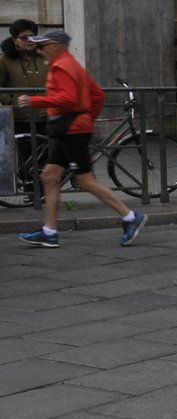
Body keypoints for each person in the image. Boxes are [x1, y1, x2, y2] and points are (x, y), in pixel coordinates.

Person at [14, 30, 146, 248]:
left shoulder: (62, 67)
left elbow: (68, 99)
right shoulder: (71, 64)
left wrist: (34, 101)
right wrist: (86, 117)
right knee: (48, 177)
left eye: (43, 45)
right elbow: (97, 95)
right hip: (70, 129)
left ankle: (131, 217)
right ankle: (49, 231)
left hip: (72, 132)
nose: (40, 49)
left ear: (56, 46)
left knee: (85, 181)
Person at [2, 19, 48, 177]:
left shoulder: (44, 57)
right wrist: (10, 101)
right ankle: (31, 191)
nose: (29, 40)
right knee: (27, 156)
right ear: (15, 40)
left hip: (46, 113)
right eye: (24, 37)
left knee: (47, 153)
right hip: (21, 117)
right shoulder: (5, 60)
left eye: (32, 36)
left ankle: (44, 190)